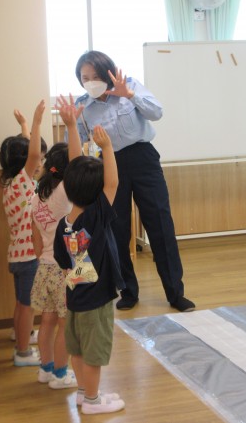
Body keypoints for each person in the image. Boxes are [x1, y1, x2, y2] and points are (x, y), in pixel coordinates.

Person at [71, 50, 195, 312]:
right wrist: (70, 123)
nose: (90, 82)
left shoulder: (129, 86)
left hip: (143, 158)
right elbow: (77, 145)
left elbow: (157, 112)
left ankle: (175, 292)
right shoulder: (83, 107)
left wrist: (129, 95)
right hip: (109, 165)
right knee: (116, 229)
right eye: (85, 78)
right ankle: (127, 291)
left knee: (160, 223)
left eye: (95, 76)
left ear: (107, 73)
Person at [54, 124, 126, 415]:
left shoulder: (64, 225)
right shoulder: (95, 218)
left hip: (75, 300)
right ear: (96, 194)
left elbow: (64, 266)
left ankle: (84, 393)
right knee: (94, 353)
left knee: (79, 349)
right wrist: (107, 148)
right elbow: (113, 184)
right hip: (96, 301)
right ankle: (93, 402)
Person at [30, 95, 82, 389]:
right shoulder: (64, 192)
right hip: (64, 268)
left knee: (47, 322)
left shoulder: (37, 196)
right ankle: (61, 375)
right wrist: (71, 126)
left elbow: (36, 240)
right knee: (66, 324)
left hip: (45, 266)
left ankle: (45, 369)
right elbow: (77, 162)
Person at [0, 99, 45, 366]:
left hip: (17, 256)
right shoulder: (22, 182)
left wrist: (25, 125)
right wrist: (36, 122)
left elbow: (30, 154)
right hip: (29, 259)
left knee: (21, 303)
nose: (38, 163)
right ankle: (23, 352)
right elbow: (34, 155)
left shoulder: (11, 184)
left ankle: (22, 335)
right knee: (27, 306)